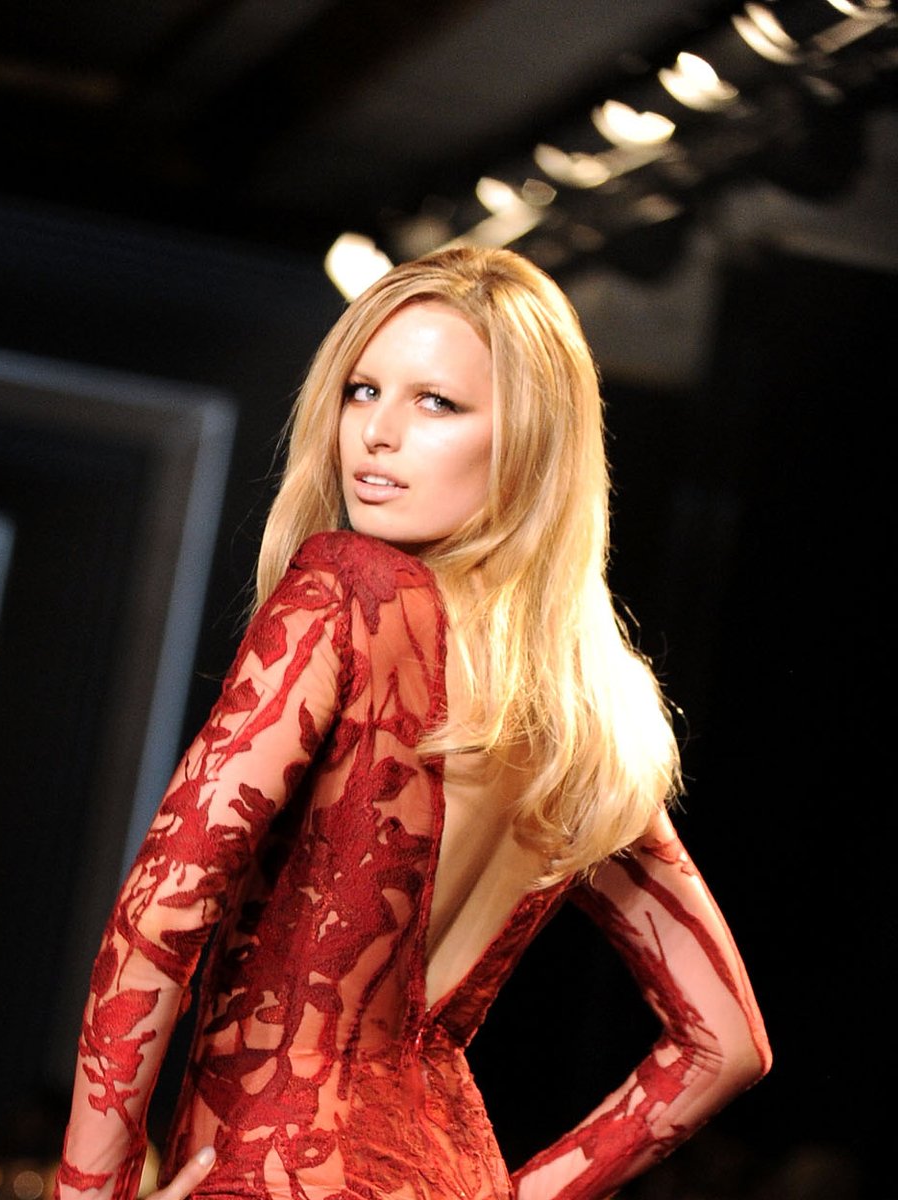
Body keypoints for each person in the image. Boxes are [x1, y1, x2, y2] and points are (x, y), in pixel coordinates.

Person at [54, 247, 769, 1200]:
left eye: (437, 403)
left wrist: (87, 1191)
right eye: (361, 390)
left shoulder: (348, 591)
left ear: (525, 441)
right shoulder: (586, 712)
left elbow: (163, 907)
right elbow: (724, 1044)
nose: (377, 434)